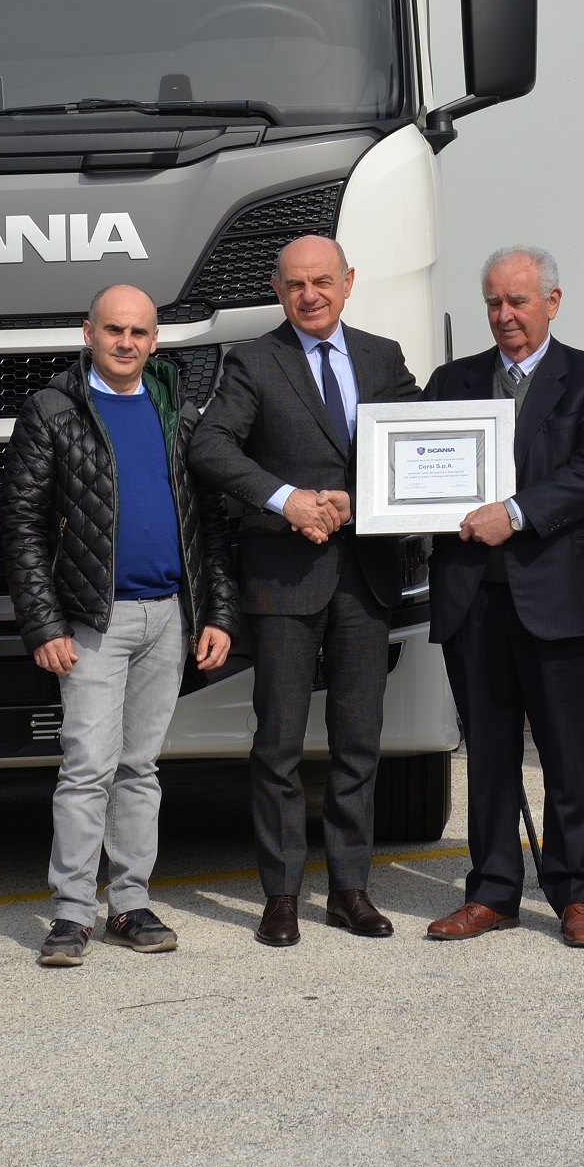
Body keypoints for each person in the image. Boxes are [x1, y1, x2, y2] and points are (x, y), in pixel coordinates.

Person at [186, 234, 423, 947]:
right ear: (277, 289)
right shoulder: (254, 360)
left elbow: (416, 441)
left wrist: (360, 498)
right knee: (279, 746)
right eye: (295, 285)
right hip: (284, 579)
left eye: (322, 281)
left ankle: (350, 889)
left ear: (348, 282)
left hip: (365, 577)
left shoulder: (382, 357)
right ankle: (281, 894)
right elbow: (210, 447)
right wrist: (285, 498)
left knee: (359, 744)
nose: (310, 295)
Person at [0, 284, 239, 968]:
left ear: (155, 341)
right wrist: (43, 623)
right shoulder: (52, 410)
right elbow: (21, 524)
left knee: (139, 769)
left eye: (138, 332)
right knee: (87, 769)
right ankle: (72, 912)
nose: (126, 342)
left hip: (168, 617)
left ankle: (130, 903)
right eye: (114, 330)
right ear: (89, 333)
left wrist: (217, 613)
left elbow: (210, 525)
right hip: (91, 621)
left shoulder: (178, 413)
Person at [421, 248, 584, 948]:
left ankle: (578, 894)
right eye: (493, 303)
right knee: (488, 757)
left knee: (568, 757)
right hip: (473, 600)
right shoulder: (451, 382)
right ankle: (492, 892)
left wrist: (512, 513)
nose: (505, 315)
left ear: (552, 302)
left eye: (518, 301)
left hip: (560, 600)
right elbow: (415, 466)